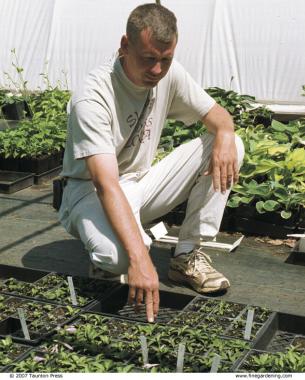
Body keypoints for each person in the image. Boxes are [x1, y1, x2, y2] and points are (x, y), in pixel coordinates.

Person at [59, 3, 244, 323]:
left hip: (141, 182)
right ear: (125, 45)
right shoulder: (93, 96)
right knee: (119, 259)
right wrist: (139, 259)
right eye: (149, 59)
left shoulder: (169, 73)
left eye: (166, 59)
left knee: (230, 144)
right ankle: (105, 256)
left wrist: (226, 132)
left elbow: (218, 117)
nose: (158, 70)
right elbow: (105, 183)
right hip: (88, 193)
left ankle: (186, 257)